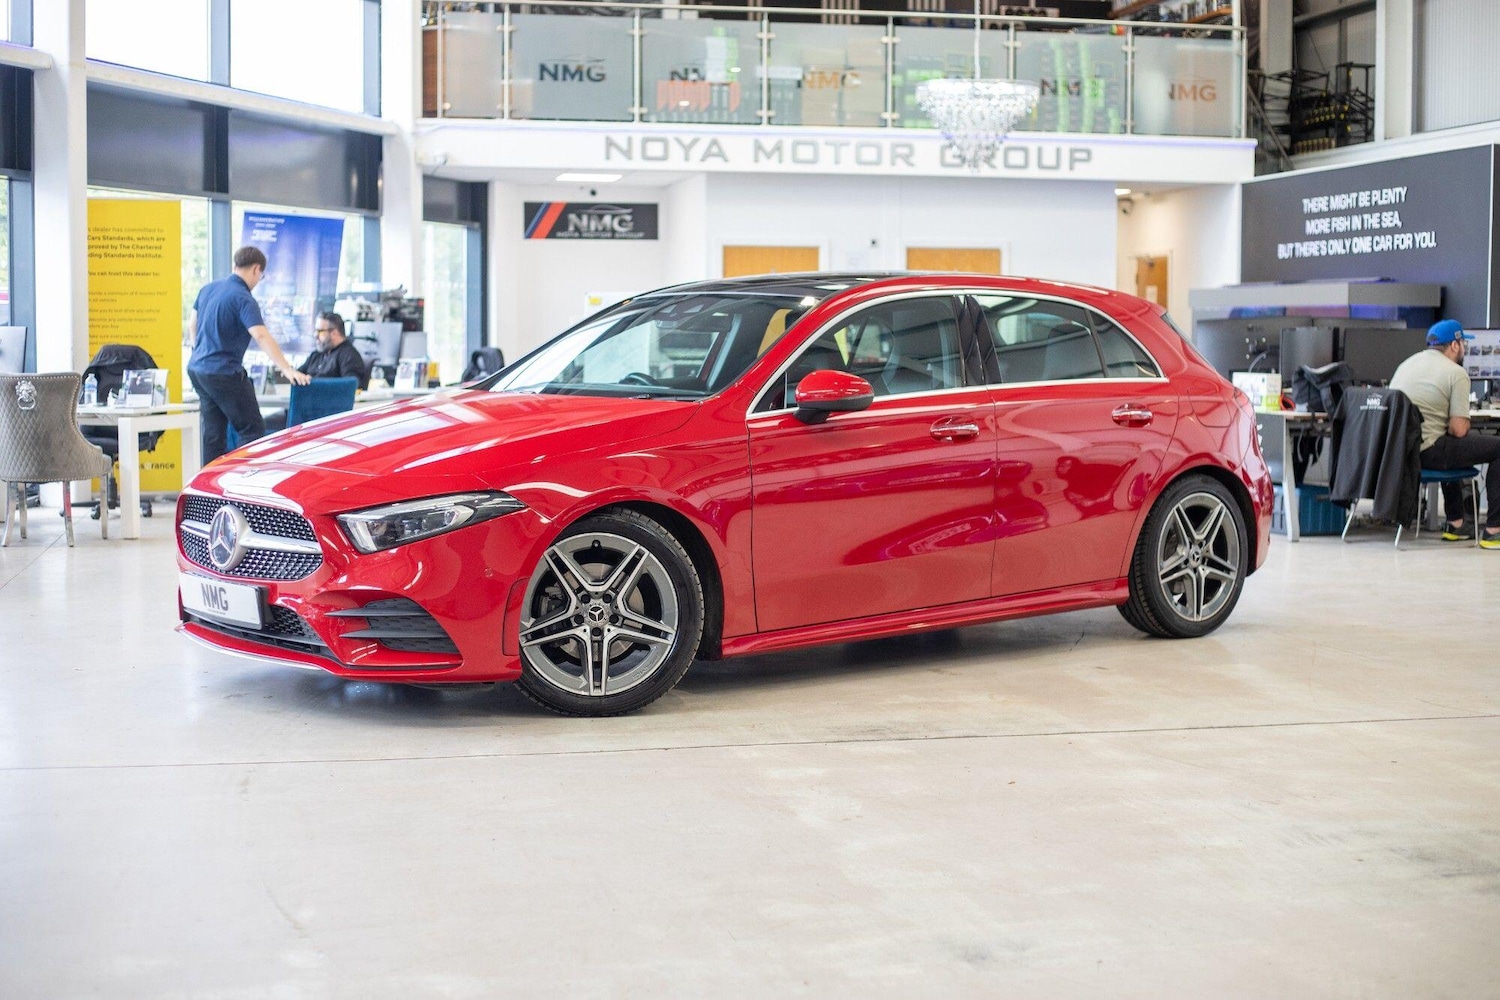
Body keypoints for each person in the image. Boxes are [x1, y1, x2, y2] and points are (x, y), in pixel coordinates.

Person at [187, 246, 310, 463]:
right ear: (256, 269)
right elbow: (260, 335)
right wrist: (286, 368)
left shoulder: (208, 289)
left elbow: (192, 324)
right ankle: (245, 487)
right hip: (223, 371)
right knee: (252, 430)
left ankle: (209, 491)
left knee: (213, 434)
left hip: (198, 369)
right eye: (260, 276)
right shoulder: (243, 297)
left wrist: (200, 351)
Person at [1389, 319, 1500, 549]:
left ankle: (1456, 524)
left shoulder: (1406, 364)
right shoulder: (1456, 373)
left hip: (1401, 452)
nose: (1465, 349)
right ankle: (1494, 531)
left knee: (1448, 442)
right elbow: (1459, 430)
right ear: (1455, 345)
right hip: (1427, 452)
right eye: (1463, 343)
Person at [298, 312, 369, 390]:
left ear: (334, 333)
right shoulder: (316, 355)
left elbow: (350, 386)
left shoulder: (349, 356)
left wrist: (313, 382)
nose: (315, 335)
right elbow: (297, 374)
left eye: (320, 331)